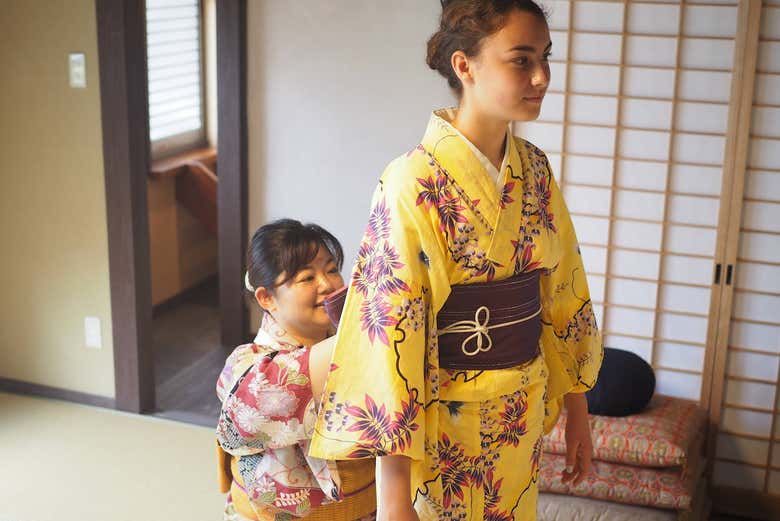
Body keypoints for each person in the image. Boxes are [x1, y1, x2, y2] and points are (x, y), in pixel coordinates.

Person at [308, 2, 603, 520]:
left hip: (519, 416)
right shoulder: (410, 182)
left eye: (545, 57)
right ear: (464, 66)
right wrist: (392, 501)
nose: (541, 76)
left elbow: (563, 290)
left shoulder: (533, 168)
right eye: (521, 59)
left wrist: (577, 406)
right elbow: (390, 344)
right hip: (443, 431)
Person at [215, 219, 376, 521]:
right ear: (266, 298)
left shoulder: (357, 348)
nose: (328, 285)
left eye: (331, 270)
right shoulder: (246, 364)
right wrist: (364, 331)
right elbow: (252, 411)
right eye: (306, 277)